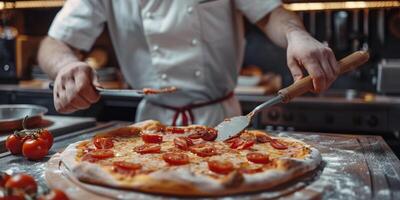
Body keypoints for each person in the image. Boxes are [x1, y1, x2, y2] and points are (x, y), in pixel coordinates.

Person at [38, 0, 339, 126]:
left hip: (222, 122)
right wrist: (65, 66)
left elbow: (272, 13)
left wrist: (296, 35)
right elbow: (53, 43)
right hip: (151, 126)